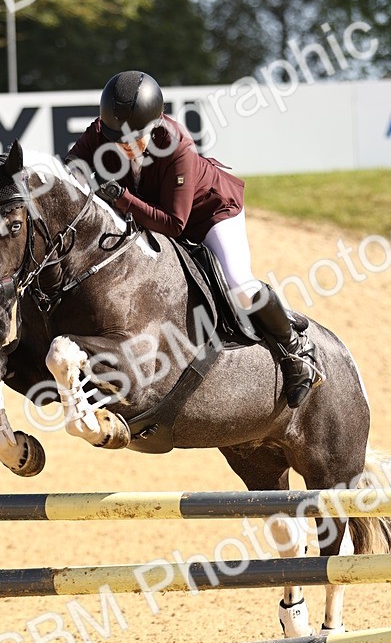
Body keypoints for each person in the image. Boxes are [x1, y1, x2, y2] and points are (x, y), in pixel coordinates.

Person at [66, 70, 320, 408]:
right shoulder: (102, 132)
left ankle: (295, 349)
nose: (124, 145)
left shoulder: (177, 145)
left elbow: (174, 224)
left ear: (154, 125)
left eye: (134, 137)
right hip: (153, 212)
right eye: (116, 137)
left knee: (239, 286)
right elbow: (69, 168)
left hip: (209, 214)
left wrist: (121, 197)